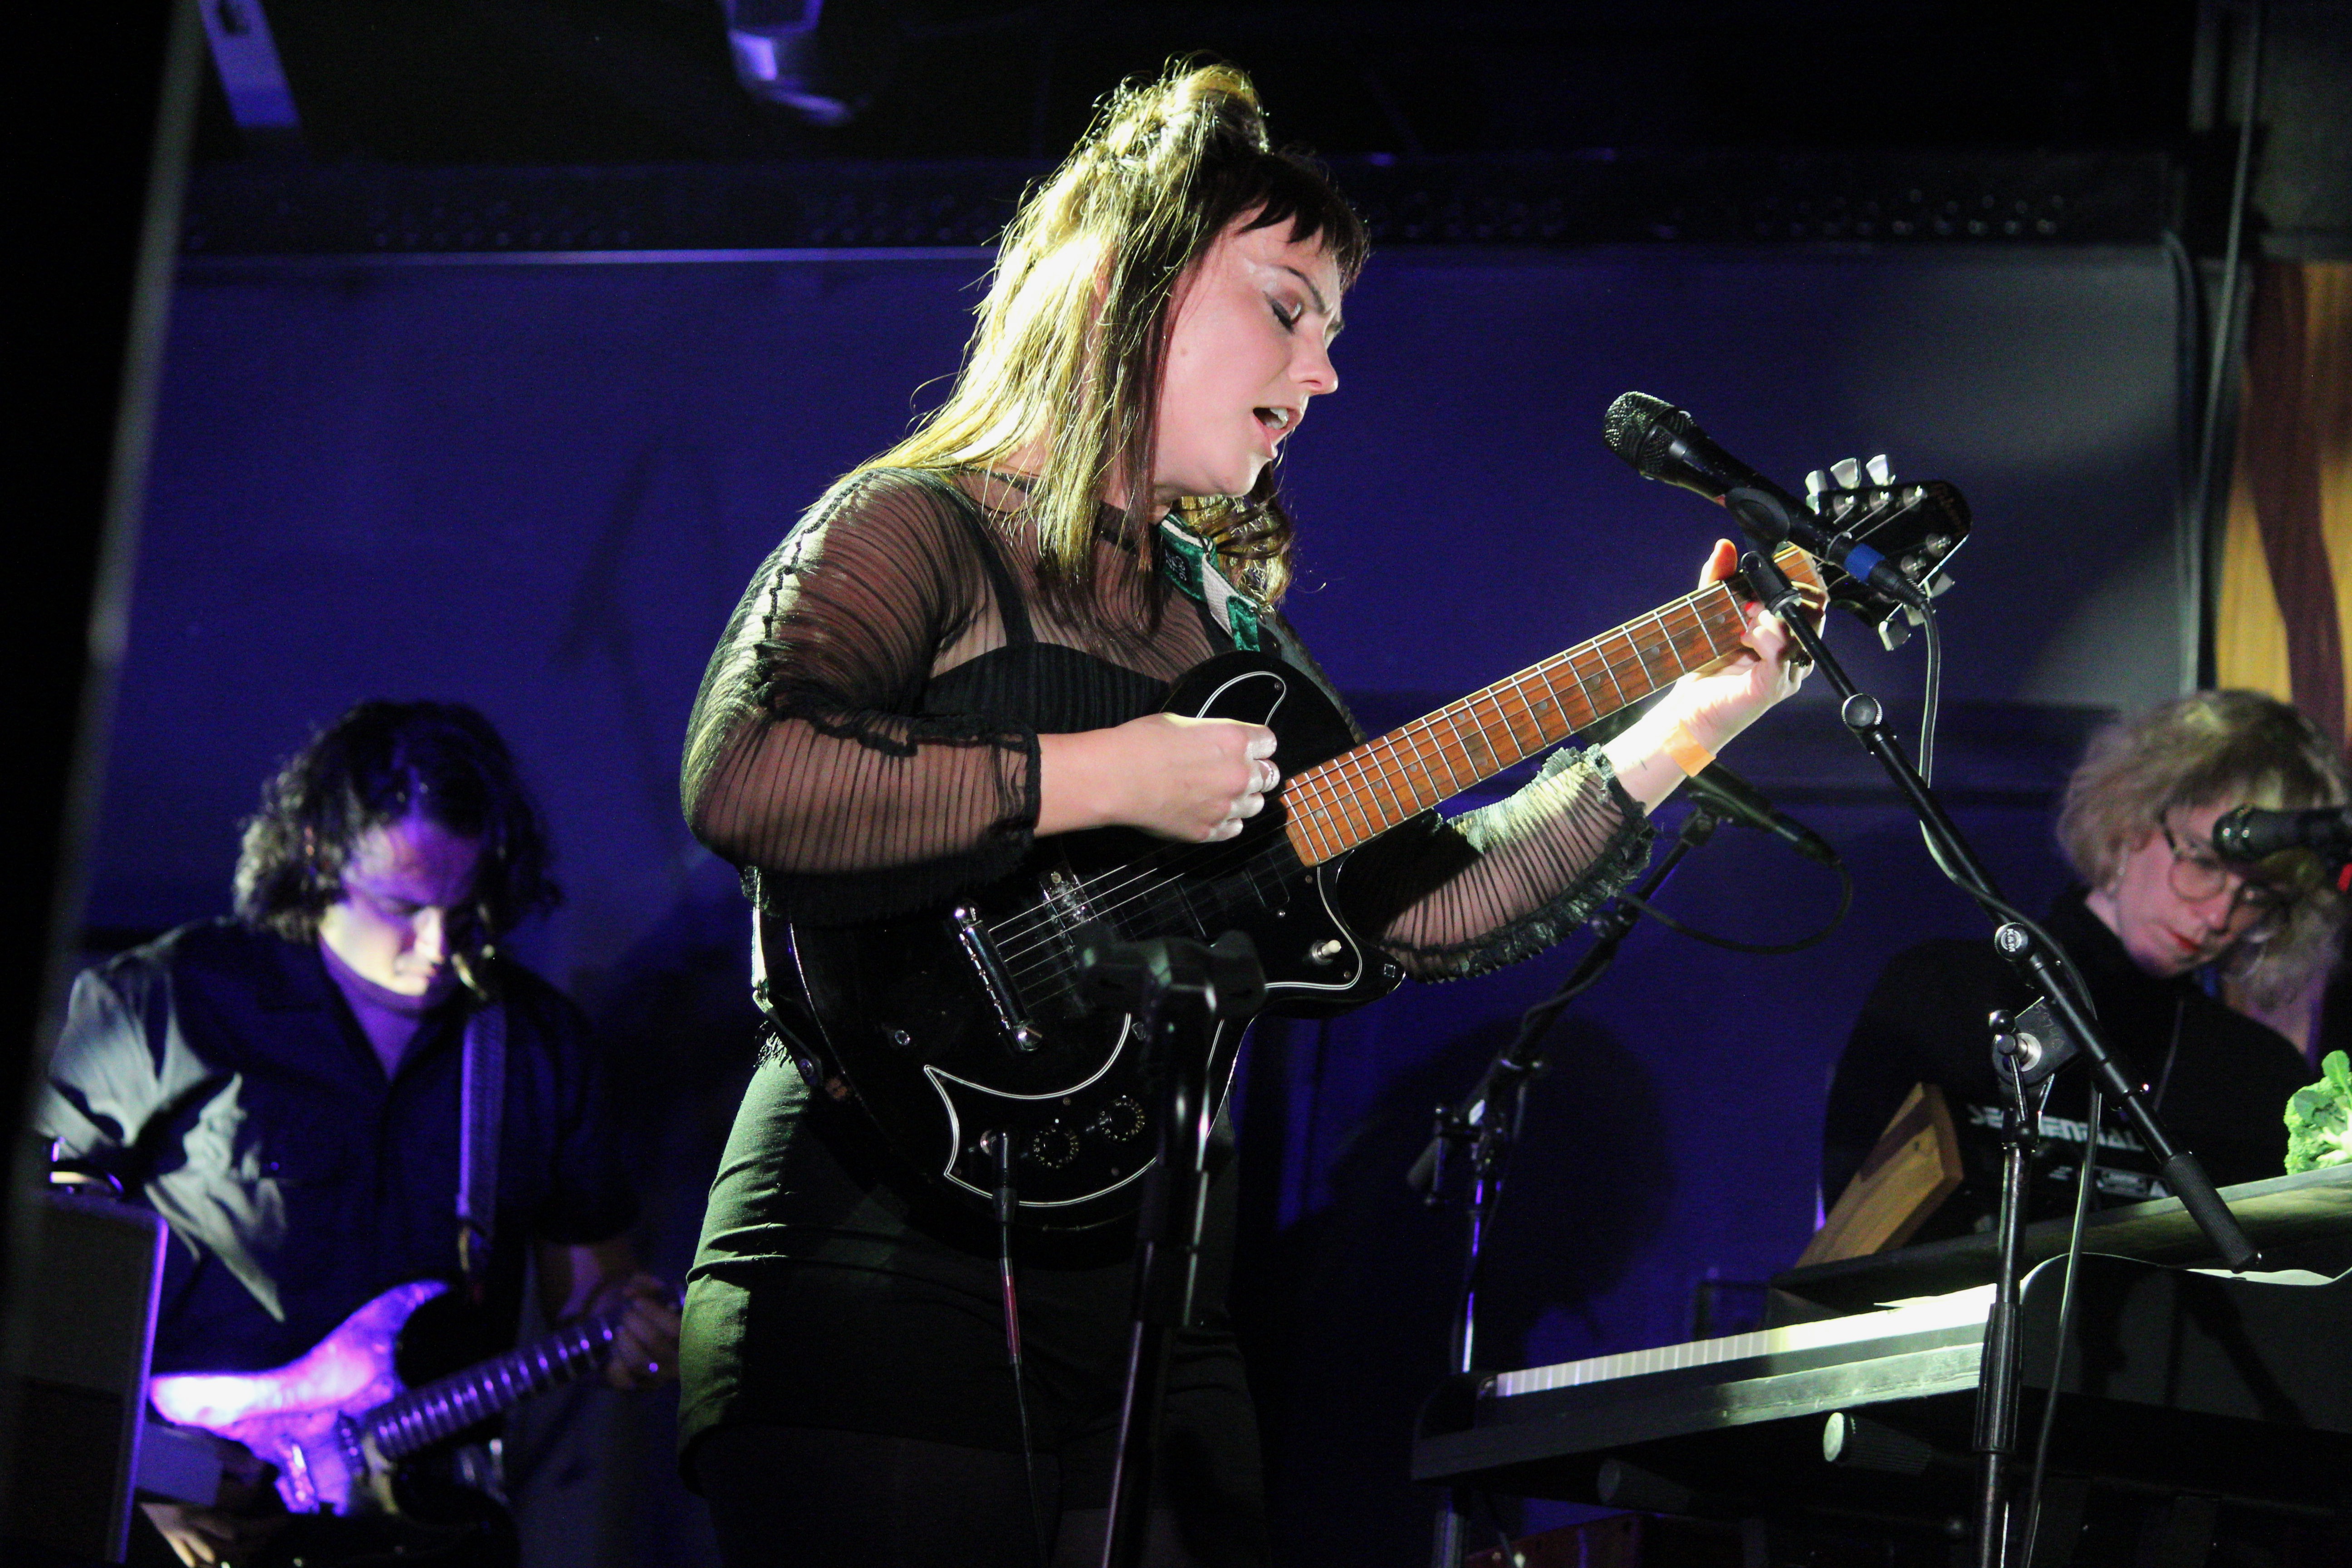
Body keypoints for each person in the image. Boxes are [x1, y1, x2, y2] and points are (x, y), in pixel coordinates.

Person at [676, 61, 1808, 1568]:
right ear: (1124, 289)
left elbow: (1417, 905)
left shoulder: (1229, 644)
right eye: (1287, 304)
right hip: (873, 1254)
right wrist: (1104, 777)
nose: (1325, 369)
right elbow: (746, 774)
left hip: (1152, 1295)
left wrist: (1691, 718)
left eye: (1332, 328)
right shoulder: (922, 525)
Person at [37, 700, 681, 1568]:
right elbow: (48, 1253)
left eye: (467, 906)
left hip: (417, 1529)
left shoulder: (534, 1044)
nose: (437, 943)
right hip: (168, 1516)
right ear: (319, 850)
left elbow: (592, 1300)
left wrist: (629, 1332)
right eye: (402, 903)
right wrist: (139, 1473)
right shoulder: (170, 999)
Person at [1824, 690, 2347, 1243]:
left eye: (2259, 896)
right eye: (2205, 863)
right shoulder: (1945, 992)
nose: (2220, 915)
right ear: (2131, 820)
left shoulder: (2259, 1073)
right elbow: (1856, 1230)